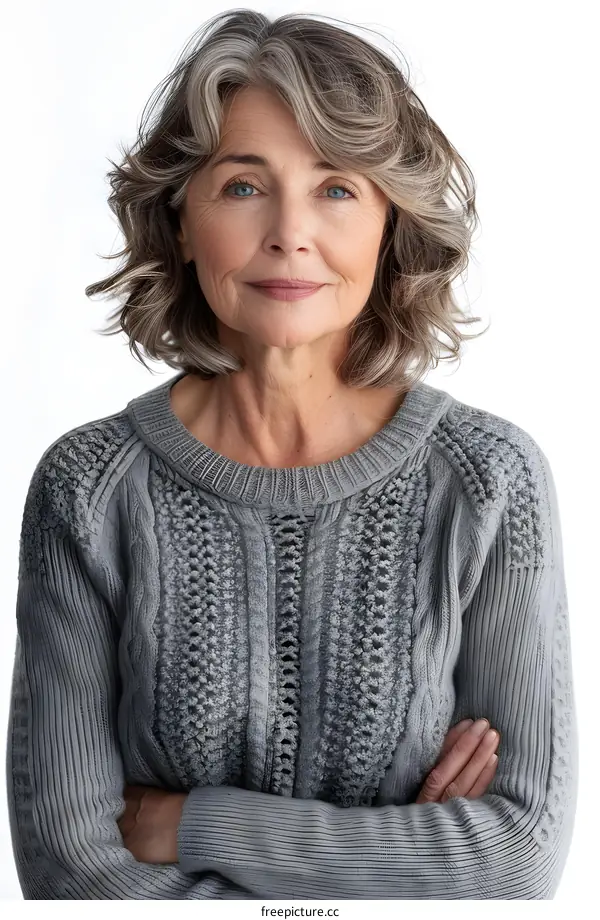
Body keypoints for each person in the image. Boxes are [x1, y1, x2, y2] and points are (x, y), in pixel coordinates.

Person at [6, 8, 577, 900]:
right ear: (181, 220)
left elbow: (516, 858)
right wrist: (400, 859)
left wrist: (193, 825)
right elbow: (70, 870)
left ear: (390, 222)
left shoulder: (488, 479)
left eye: (336, 188)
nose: (289, 232)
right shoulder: (88, 489)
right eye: (243, 186)